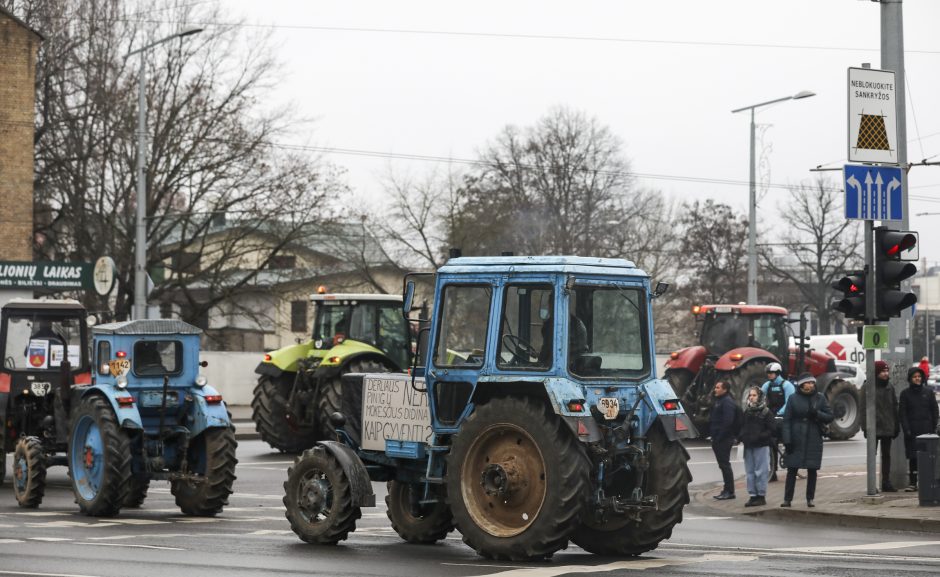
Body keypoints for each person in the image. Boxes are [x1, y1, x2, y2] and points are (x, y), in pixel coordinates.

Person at [780, 373, 833, 508]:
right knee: (792, 469)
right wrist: (787, 440)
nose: (811, 385)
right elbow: (787, 421)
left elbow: (830, 416)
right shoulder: (793, 398)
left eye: (812, 383)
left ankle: (810, 498)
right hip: (796, 437)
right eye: (808, 382)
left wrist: (817, 414)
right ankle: (787, 499)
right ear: (802, 384)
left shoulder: (820, 398)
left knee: (812, 469)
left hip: (813, 437)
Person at [859, 360, 900, 492]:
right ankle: (871, 483)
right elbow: (863, 408)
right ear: (876, 372)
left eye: (886, 371)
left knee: (886, 455)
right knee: (872, 455)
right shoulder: (867, 387)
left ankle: (886, 482)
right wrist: (865, 427)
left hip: (887, 426)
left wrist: (896, 425)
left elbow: (895, 407)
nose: (885, 374)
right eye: (882, 371)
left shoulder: (890, 387)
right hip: (873, 427)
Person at [899, 366, 939, 492]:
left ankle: (928, 483)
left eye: (919, 377)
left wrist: (934, 427)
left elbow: (935, 410)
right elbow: (902, 413)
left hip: (927, 431)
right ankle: (912, 482)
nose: (917, 379)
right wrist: (907, 430)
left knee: (928, 458)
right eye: (915, 377)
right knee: (913, 457)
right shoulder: (905, 394)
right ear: (910, 379)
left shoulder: (928, 392)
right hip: (912, 431)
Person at [740, 386, 776, 507]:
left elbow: (772, 430)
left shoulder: (766, 412)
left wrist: (760, 436)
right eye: (750, 395)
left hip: (761, 445)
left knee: (761, 471)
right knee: (749, 472)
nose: (751, 397)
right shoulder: (747, 411)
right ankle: (752, 495)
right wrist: (742, 437)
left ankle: (761, 495)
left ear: (760, 397)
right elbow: (742, 427)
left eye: (754, 395)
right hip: (749, 446)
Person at [760, 361, 795, 482]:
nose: (769, 375)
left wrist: (780, 413)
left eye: (771, 373)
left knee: (787, 440)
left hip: (784, 417)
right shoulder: (767, 385)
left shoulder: (787, 385)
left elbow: (789, 402)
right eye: (768, 373)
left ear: (777, 373)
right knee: (771, 443)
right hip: (772, 417)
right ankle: (773, 472)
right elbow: (760, 398)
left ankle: (792, 468)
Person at [710, 380, 738, 500]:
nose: (715, 389)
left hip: (724, 439)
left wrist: (719, 437)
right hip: (718, 438)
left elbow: (728, 422)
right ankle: (726, 490)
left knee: (725, 465)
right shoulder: (720, 400)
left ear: (725, 390)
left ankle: (730, 491)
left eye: (717, 387)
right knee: (723, 465)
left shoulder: (727, 402)